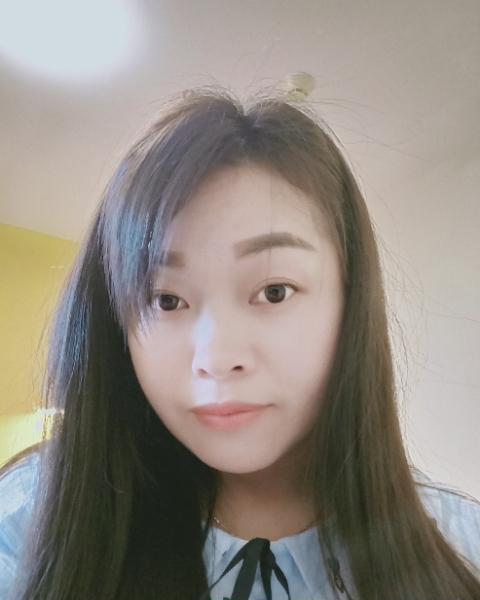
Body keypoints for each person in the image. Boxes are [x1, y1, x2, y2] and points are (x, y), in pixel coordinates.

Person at [1, 86, 479, 600]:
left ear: (351, 302)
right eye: (166, 300)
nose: (216, 359)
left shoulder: (461, 546)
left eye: (274, 291)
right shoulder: (35, 513)